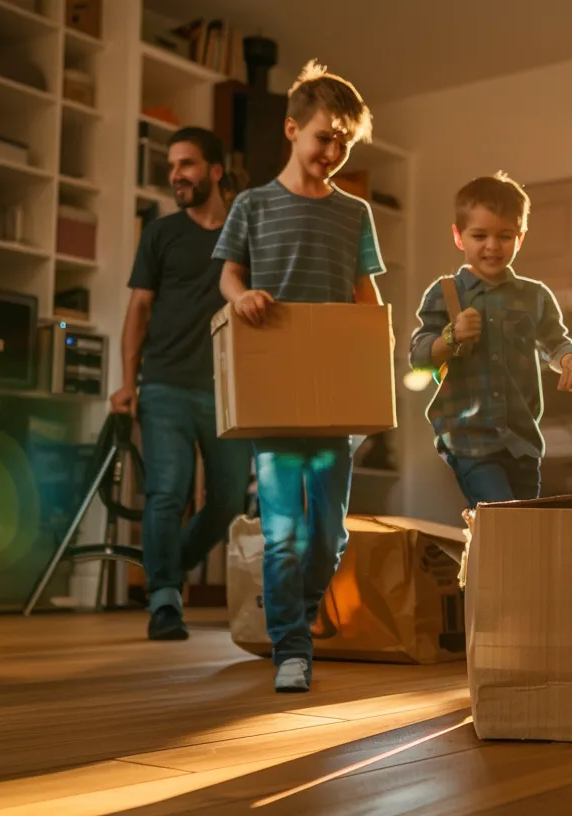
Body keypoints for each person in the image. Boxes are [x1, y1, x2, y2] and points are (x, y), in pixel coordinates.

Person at [213, 61, 385, 693]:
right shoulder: (252, 206)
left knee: (328, 535)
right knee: (283, 532)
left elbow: (366, 296)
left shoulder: (356, 214)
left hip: (336, 393)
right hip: (274, 391)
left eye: (345, 142)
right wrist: (240, 297)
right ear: (291, 129)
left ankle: (297, 611)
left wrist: (374, 374)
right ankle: (293, 646)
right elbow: (228, 275)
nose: (334, 152)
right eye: (324, 137)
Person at [111, 127, 253, 642]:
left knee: (228, 503)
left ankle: (165, 569)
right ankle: (165, 599)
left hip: (228, 391)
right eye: (172, 166)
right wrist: (128, 382)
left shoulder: (245, 234)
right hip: (166, 383)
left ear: (216, 171)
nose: (176, 175)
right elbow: (139, 308)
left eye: (187, 164)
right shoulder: (161, 233)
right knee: (166, 492)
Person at [409, 172, 572, 507]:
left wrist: (570, 359)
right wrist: (451, 336)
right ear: (459, 237)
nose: (492, 245)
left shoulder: (535, 296)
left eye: (505, 236)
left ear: (520, 238)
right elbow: (418, 356)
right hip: (468, 439)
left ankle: (480, 559)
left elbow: (556, 340)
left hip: (522, 442)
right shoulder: (445, 293)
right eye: (479, 235)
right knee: (502, 512)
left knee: (517, 530)